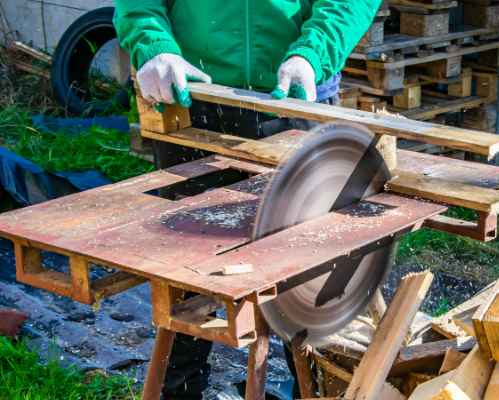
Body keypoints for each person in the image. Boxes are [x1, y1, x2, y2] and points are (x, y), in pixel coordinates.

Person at [113, 1, 381, 398]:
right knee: (184, 274)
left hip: (296, 93)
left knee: (307, 282)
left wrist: (313, 52)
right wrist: (153, 45)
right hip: (192, 94)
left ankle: (316, 388)